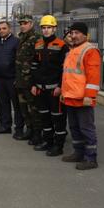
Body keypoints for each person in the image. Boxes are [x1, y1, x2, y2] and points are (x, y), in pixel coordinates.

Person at [61, 22, 101, 170]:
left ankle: (91, 158)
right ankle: (78, 153)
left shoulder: (90, 51)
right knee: (74, 128)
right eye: (72, 33)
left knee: (87, 129)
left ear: (85, 35)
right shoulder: (73, 50)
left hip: (83, 98)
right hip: (71, 97)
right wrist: (64, 93)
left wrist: (89, 96)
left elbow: (93, 77)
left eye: (77, 33)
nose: (74, 35)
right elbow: (68, 75)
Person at [31, 15, 68, 156]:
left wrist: (60, 86)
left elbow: (64, 69)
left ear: (54, 28)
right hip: (40, 89)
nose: (46, 30)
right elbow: (34, 66)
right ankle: (48, 142)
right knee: (44, 117)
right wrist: (34, 84)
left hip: (55, 90)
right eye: (44, 28)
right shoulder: (38, 44)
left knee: (57, 117)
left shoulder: (61, 45)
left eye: (49, 28)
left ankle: (58, 146)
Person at [15, 14, 40, 142]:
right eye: (21, 24)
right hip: (20, 80)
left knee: (33, 109)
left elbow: (37, 61)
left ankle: (37, 134)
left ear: (31, 24)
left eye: (25, 23)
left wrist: (35, 82)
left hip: (30, 81)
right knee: (23, 108)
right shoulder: (22, 38)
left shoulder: (36, 38)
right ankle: (29, 129)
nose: (22, 26)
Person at [0, 21, 21, 135]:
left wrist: (17, 78)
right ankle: (5, 126)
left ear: (9, 29)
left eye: (4, 28)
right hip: (0, 79)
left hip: (12, 78)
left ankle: (19, 128)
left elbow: (18, 62)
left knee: (17, 106)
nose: (1, 31)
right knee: (3, 104)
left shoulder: (16, 42)